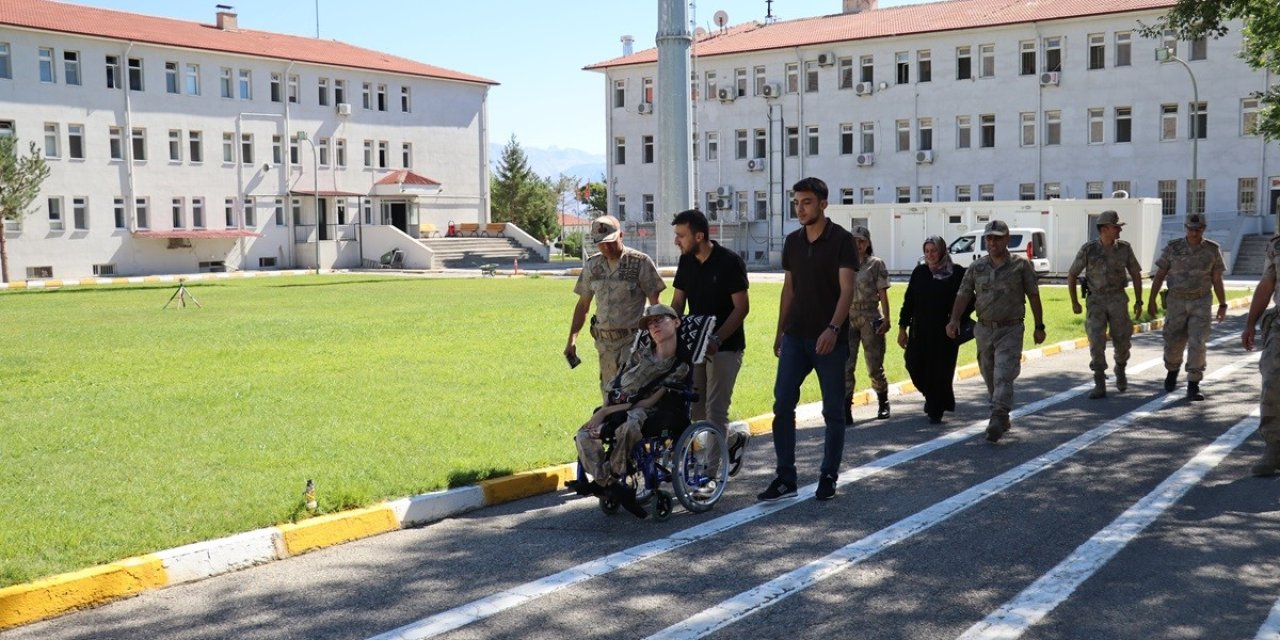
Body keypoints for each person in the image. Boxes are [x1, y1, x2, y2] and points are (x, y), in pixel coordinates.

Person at [758, 177, 857, 503]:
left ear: (823, 204)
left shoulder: (842, 240)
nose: (800, 208)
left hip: (829, 339)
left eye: (807, 202)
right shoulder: (792, 241)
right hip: (796, 337)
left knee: (833, 411)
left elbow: (847, 290)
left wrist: (832, 328)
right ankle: (786, 477)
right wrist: (780, 332)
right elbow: (790, 289)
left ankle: (828, 475)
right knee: (782, 403)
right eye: (796, 202)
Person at [574, 304, 690, 519]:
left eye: (660, 320)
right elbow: (614, 385)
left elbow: (648, 402)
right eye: (650, 323)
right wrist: (605, 410)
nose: (654, 326)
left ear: (676, 322)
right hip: (616, 407)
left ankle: (612, 480)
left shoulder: (678, 366)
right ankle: (610, 484)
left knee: (629, 427)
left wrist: (605, 411)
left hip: (646, 411)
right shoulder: (638, 354)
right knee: (583, 434)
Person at [946, 219, 1046, 443]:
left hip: (1010, 329)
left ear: (1007, 240)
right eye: (989, 238)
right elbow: (963, 294)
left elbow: (1033, 296)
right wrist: (954, 320)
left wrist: (1039, 326)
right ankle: (1001, 413)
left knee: (1003, 375)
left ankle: (997, 416)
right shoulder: (977, 266)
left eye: (998, 238)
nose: (992, 242)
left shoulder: (1021, 265)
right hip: (984, 329)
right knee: (989, 375)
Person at [670, 209, 750, 442]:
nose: (676, 241)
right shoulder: (686, 261)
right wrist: (666, 328)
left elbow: (742, 308)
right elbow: (677, 302)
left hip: (726, 347)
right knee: (696, 410)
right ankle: (733, 440)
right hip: (695, 347)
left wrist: (717, 339)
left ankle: (711, 476)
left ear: (699, 236)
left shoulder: (730, 262)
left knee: (715, 411)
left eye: (681, 235)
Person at [566, 214, 665, 399]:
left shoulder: (640, 262)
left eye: (610, 242)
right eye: (601, 243)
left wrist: (659, 340)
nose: (606, 247)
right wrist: (572, 339)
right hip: (605, 346)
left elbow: (655, 305)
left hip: (633, 342)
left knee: (633, 396)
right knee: (609, 398)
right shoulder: (593, 265)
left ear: (621, 235)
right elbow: (583, 305)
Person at [1147, 212, 1227, 401]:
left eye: (1197, 230)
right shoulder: (1173, 248)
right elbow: (1159, 275)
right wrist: (1150, 301)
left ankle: (1193, 382)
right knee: (1173, 341)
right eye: (1191, 229)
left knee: (1198, 342)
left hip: (1201, 301)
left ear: (1203, 229)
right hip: (1176, 301)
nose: (1194, 233)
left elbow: (1217, 279)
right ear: (1185, 229)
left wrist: (1223, 304)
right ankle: (1172, 371)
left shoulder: (1212, 249)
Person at [1066, 210, 1144, 399]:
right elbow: (1072, 274)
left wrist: (1139, 300)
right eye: (1116, 227)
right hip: (1096, 301)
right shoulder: (1089, 249)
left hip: (1118, 299)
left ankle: (1121, 367)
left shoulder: (1124, 248)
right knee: (1096, 341)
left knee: (1123, 340)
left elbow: (1135, 273)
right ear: (1104, 229)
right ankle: (1099, 381)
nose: (1119, 231)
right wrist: (1075, 301)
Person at [898, 236, 970, 424]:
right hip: (920, 330)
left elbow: (969, 299)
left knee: (940, 371)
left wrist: (956, 320)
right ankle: (932, 397)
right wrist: (902, 327)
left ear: (942, 251)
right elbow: (909, 301)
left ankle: (935, 407)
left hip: (944, 332)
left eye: (934, 250)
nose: (930, 255)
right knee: (913, 364)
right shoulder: (920, 272)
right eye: (927, 251)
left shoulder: (956, 273)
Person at [1241, 232, 1280, 476]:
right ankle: (1274, 448)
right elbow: (1267, 284)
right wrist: (1250, 323)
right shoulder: (1276, 245)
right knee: (1272, 382)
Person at [844, 225, 892, 422]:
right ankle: (845, 407)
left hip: (871, 316)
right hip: (848, 316)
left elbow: (883, 293)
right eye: (854, 241)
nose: (858, 245)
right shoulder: (844, 264)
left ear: (868, 243)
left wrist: (887, 319)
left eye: (862, 241)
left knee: (874, 364)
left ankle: (883, 401)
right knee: (846, 365)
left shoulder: (876, 264)